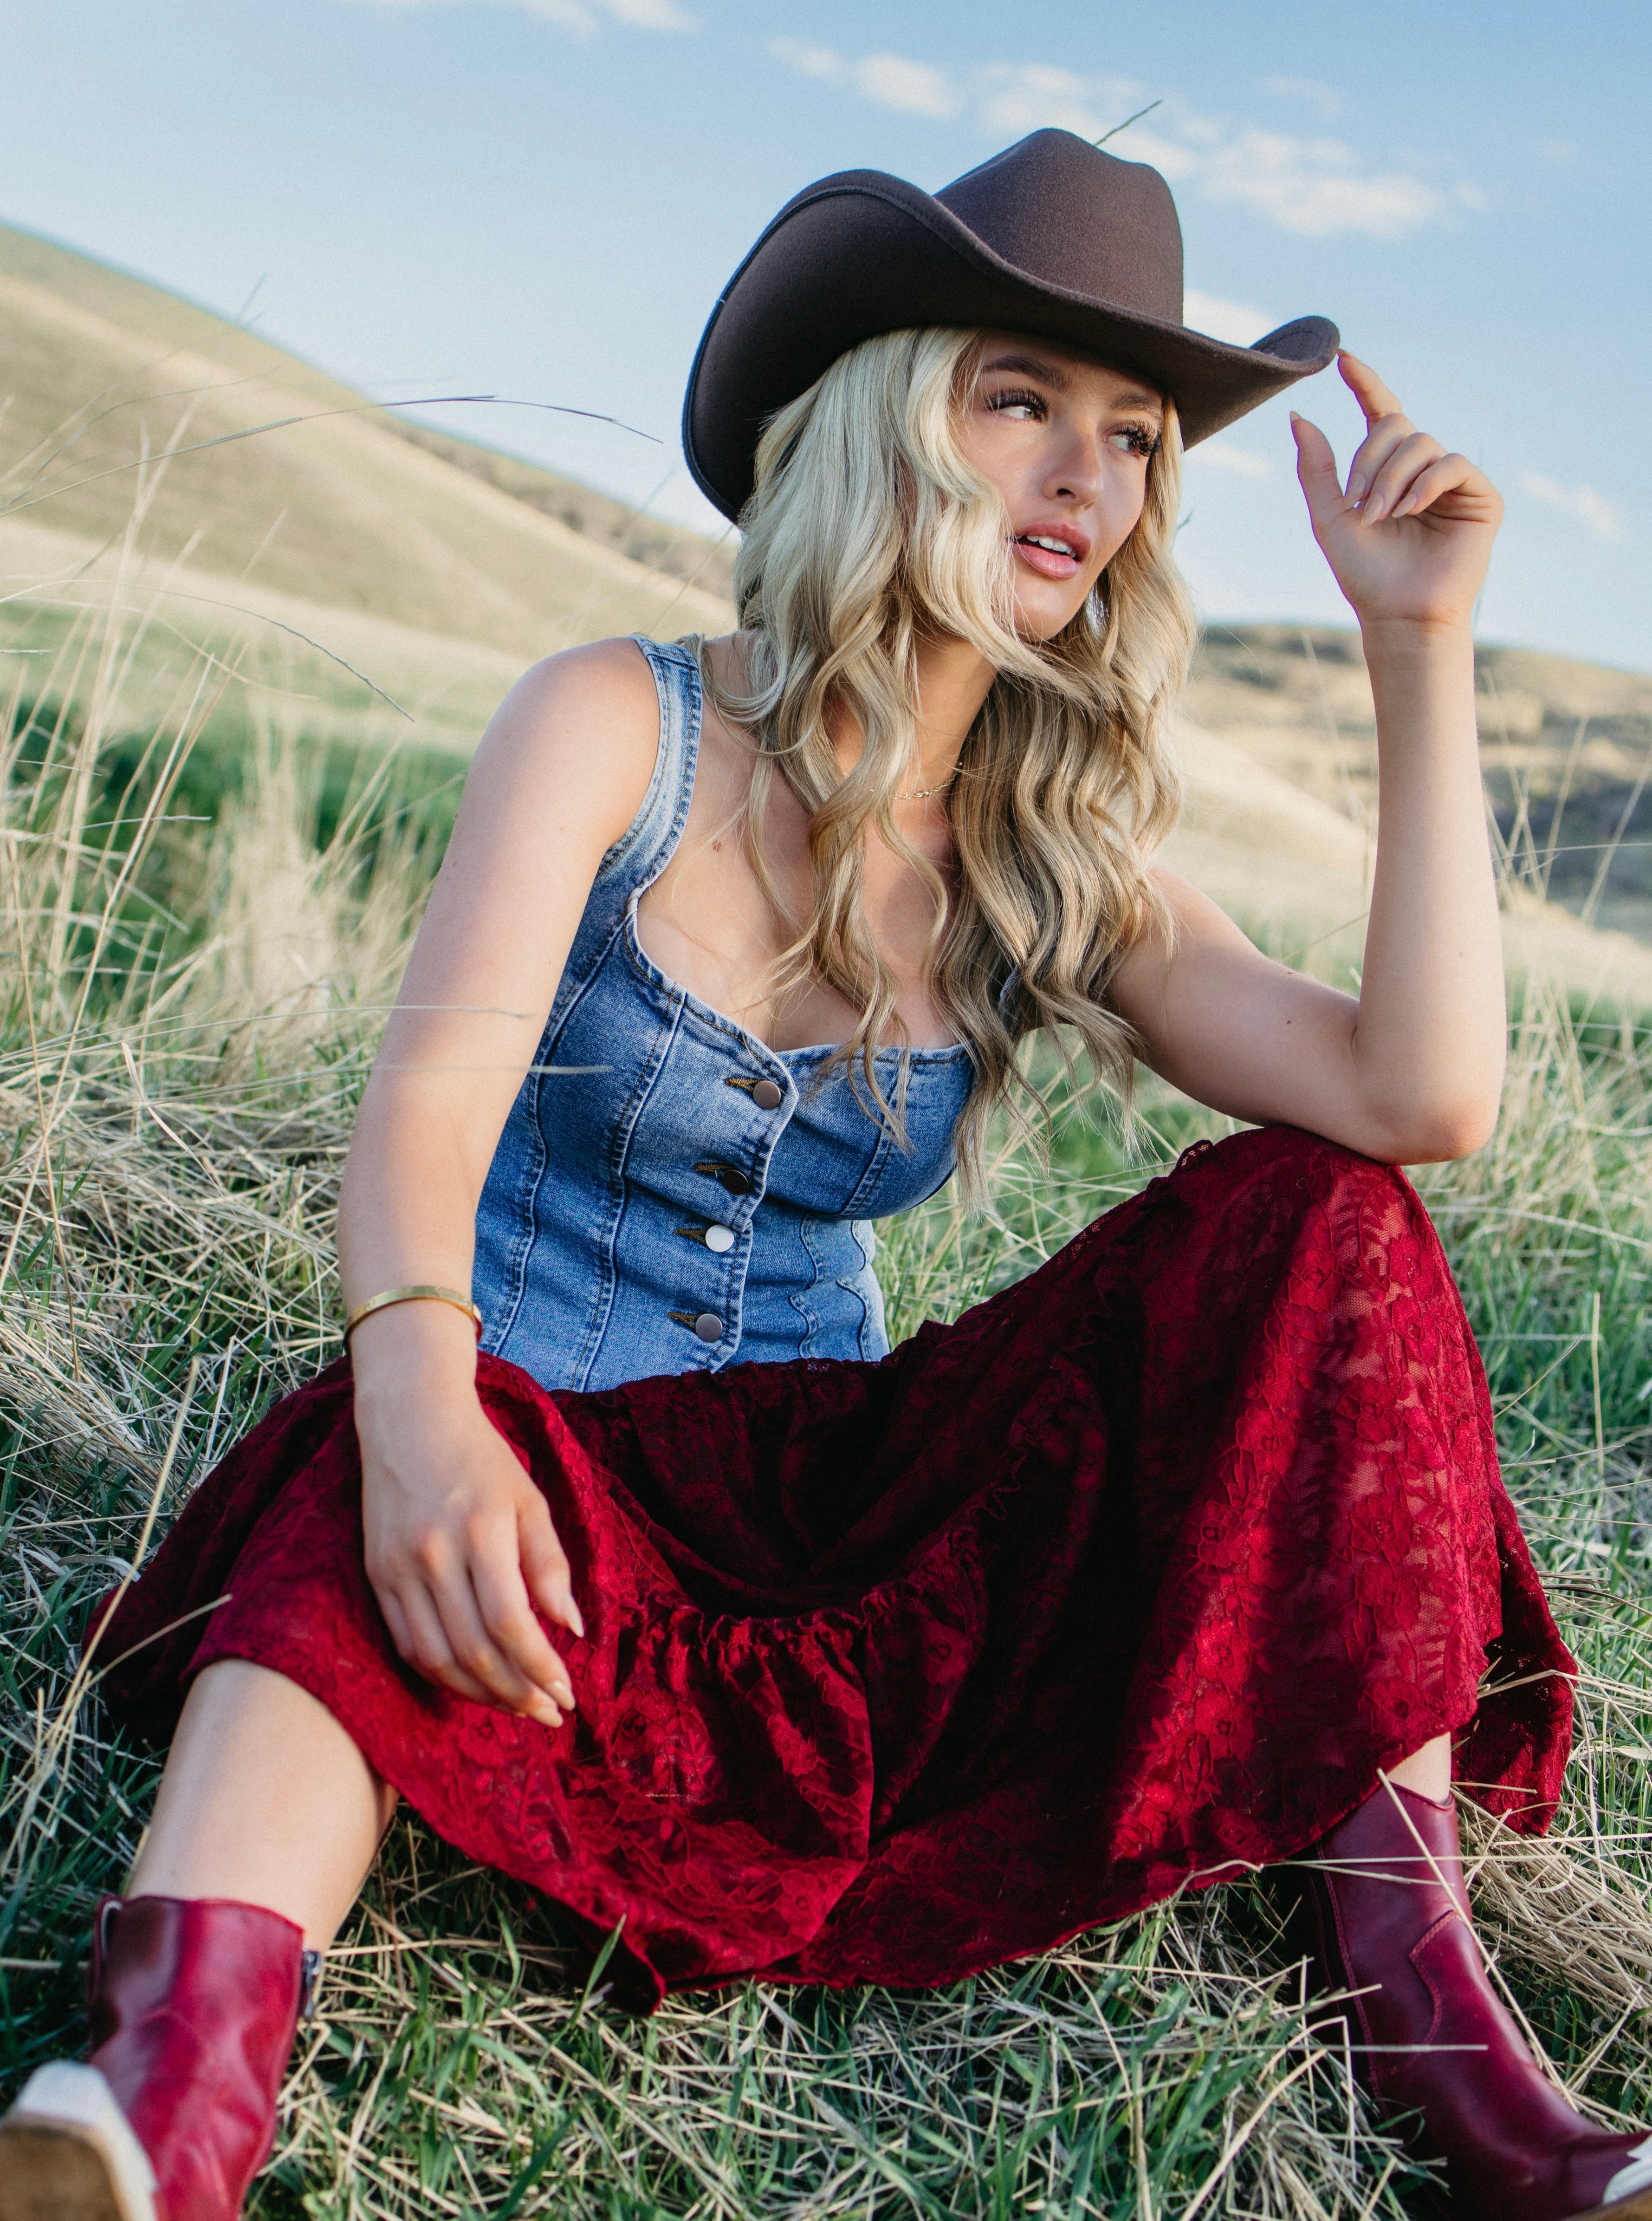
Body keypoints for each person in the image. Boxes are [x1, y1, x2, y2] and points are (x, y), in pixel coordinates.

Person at [2, 130, 1647, 2221]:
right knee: (355, 1481)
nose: (1086, 474)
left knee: (1331, 1219)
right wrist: (421, 1412)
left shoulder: (1059, 850)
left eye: (1135, 436)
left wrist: (1419, 649)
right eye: (1021, 399)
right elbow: (421, 1117)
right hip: (541, 1492)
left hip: (839, 1518)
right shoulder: (616, 724)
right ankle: (161, 2106)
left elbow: (1417, 1096)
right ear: (883, 419)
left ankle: (1460, 2069)